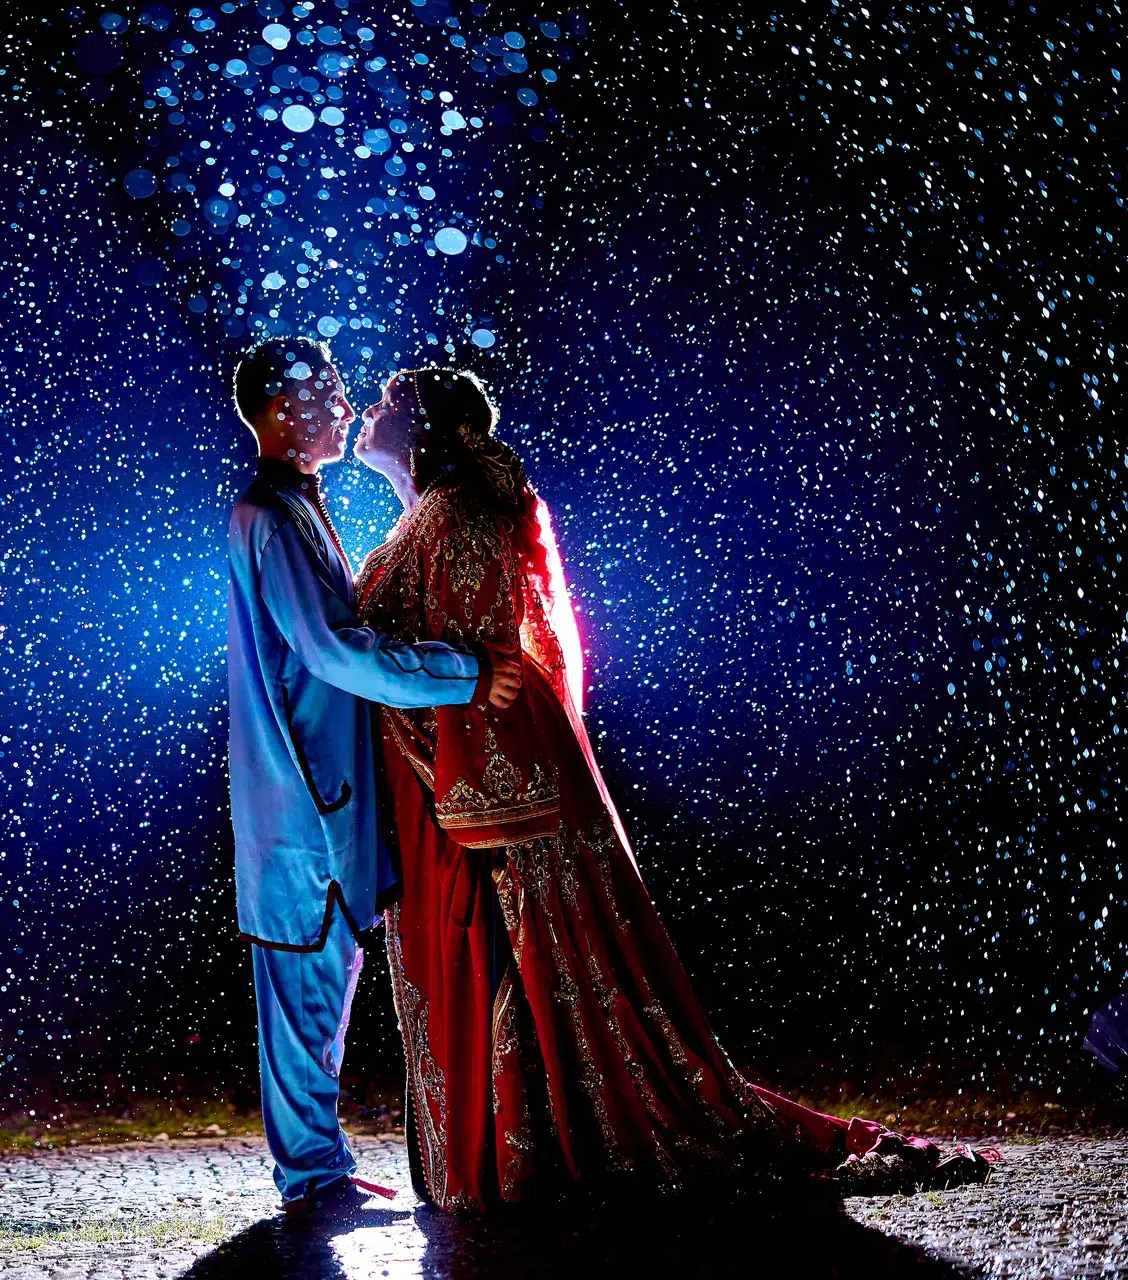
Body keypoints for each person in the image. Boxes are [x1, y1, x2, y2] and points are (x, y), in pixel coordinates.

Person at [352, 365, 995, 1208]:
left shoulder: (458, 515)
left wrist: (470, 796)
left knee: (543, 968)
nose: (367, 411)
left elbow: (489, 670)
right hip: (447, 774)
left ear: (428, 427)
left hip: (492, 783)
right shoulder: (425, 519)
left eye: (390, 402)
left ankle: (540, 1151)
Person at [224, 339, 517, 1216]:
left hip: (321, 807)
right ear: (282, 409)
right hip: (306, 812)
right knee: (305, 1004)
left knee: (318, 1001)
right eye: (331, 394)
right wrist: (462, 672)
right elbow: (330, 650)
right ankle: (312, 1179)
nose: (348, 409)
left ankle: (319, 1171)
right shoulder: (272, 519)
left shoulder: (290, 511)